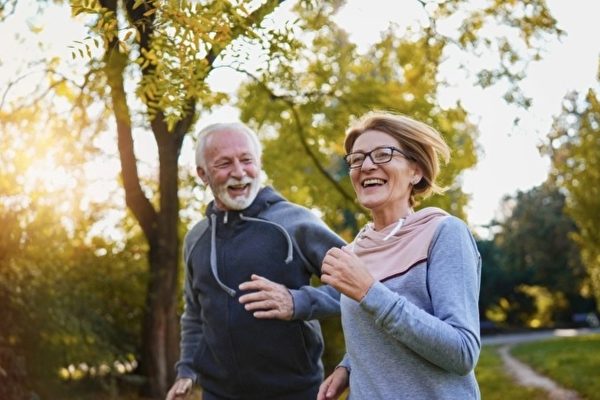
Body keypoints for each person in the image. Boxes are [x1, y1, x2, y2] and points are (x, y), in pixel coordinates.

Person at [165, 122, 345, 400]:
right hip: (217, 394)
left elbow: (361, 287)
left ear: (258, 164)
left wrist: (298, 302)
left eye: (246, 160)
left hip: (295, 392)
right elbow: (195, 314)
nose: (239, 172)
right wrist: (187, 370)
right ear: (202, 174)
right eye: (224, 163)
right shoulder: (196, 239)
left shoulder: (295, 222)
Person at [317, 111, 482, 400]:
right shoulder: (356, 250)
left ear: (415, 171)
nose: (366, 166)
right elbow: (380, 330)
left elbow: (462, 351)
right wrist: (349, 365)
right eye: (357, 159)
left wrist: (369, 291)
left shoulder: (444, 233)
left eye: (382, 154)